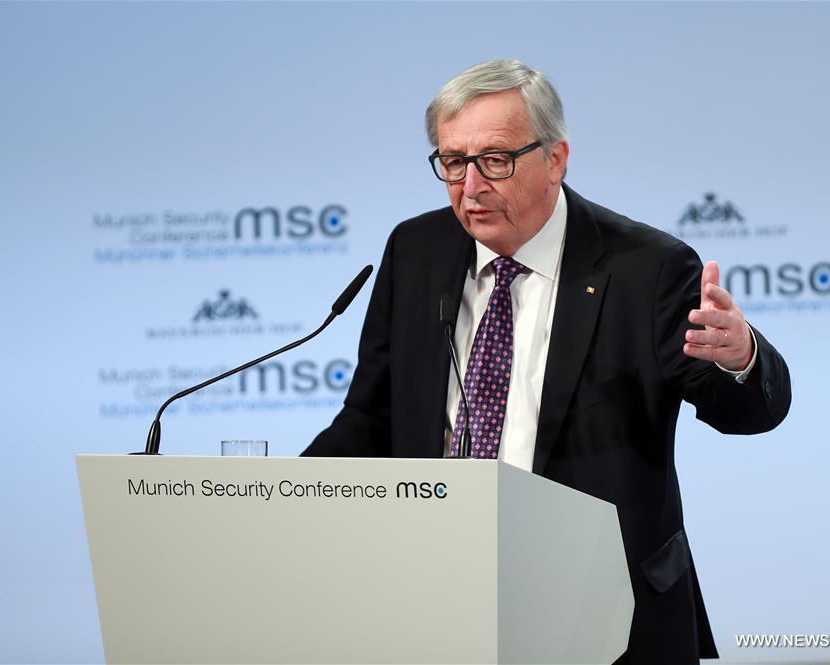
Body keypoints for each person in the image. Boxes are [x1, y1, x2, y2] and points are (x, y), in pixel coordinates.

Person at [302, 59, 791, 664]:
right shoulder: (416, 250)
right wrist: (282, 499)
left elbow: (748, 413)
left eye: (495, 160)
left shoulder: (647, 268)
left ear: (555, 159)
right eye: (452, 162)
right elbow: (372, 419)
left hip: (604, 609)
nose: (470, 187)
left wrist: (742, 359)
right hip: (440, 596)